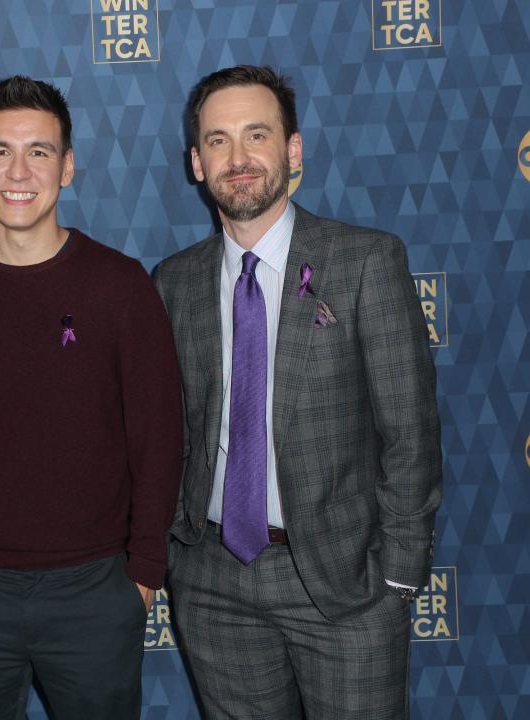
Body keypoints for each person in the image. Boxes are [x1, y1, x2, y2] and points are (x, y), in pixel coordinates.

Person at [153, 65, 442, 719]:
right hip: (213, 581)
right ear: (196, 163)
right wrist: (178, 550)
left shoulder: (365, 261)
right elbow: (171, 429)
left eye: (257, 135)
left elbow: (410, 429)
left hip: (344, 584)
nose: (239, 158)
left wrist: (397, 572)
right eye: (218, 141)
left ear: (293, 150)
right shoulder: (173, 282)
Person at [0, 75, 182, 719]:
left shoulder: (120, 285)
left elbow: (158, 438)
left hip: (95, 591)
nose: (18, 170)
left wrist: (141, 576)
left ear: (68, 167)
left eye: (40, 151)